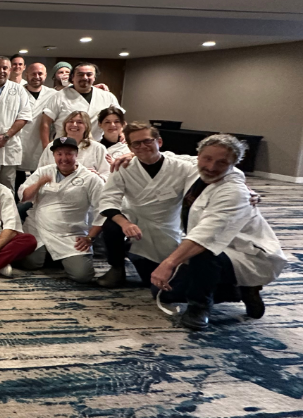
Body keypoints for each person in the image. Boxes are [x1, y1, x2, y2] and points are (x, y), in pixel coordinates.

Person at [149, 134, 286, 331]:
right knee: (164, 293)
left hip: (245, 253)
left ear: (233, 164)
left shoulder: (234, 192)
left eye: (222, 162)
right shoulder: (195, 168)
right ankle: (238, 291)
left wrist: (169, 263)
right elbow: (166, 157)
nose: (211, 167)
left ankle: (199, 307)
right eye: (207, 158)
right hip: (212, 247)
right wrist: (130, 156)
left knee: (204, 252)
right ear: (198, 155)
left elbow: (207, 235)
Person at [96, 122, 201, 288]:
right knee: (111, 226)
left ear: (159, 141)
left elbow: (211, 163)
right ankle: (117, 267)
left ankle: (134, 253)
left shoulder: (182, 167)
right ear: (130, 147)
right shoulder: (123, 168)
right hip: (136, 220)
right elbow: (108, 199)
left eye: (147, 141)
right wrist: (125, 224)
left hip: (167, 226)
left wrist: (240, 184)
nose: (143, 146)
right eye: (136, 144)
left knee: (156, 283)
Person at [16, 137, 104, 283]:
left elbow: (103, 210)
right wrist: (39, 183)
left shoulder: (91, 179)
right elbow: (24, 197)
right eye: (59, 154)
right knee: (30, 263)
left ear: (76, 154)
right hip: (39, 228)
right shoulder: (43, 171)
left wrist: (90, 237)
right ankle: (51, 256)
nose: (64, 158)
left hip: (70, 234)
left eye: (69, 153)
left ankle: (56, 257)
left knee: (82, 276)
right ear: (54, 155)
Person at [0, 57, 32, 195]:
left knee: (7, 186)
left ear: (10, 70)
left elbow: (24, 116)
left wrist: (6, 136)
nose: (1, 71)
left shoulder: (19, 90)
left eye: (4, 68)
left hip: (9, 144)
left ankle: (7, 210)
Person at [42, 62, 123, 144]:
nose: (85, 77)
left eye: (89, 74)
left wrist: (121, 133)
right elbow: (45, 123)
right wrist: (46, 146)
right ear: (72, 77)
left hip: (96, 144)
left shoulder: (107, 96)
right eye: (80, 74)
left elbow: (119, 118)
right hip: (64, 145)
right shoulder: (58, 96)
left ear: (94, 77)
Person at [37, 111, 109, 179]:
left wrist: (98, 177)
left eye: (79, 122)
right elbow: (40, 172)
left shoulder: (98, 148)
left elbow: (107, 173)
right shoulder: (52, 146)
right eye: (70, 121)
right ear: (65, 125)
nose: (74, 124)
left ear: (87, 126)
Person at [19, 63, 57, 177]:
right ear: (26, 75)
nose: (37, 76)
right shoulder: (17, 92)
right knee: (18, 181)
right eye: (33, 74)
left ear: (45, 75)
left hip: (41, 143)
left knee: (40, 178)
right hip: (20, 142)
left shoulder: (53, 94)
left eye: (40, 74)